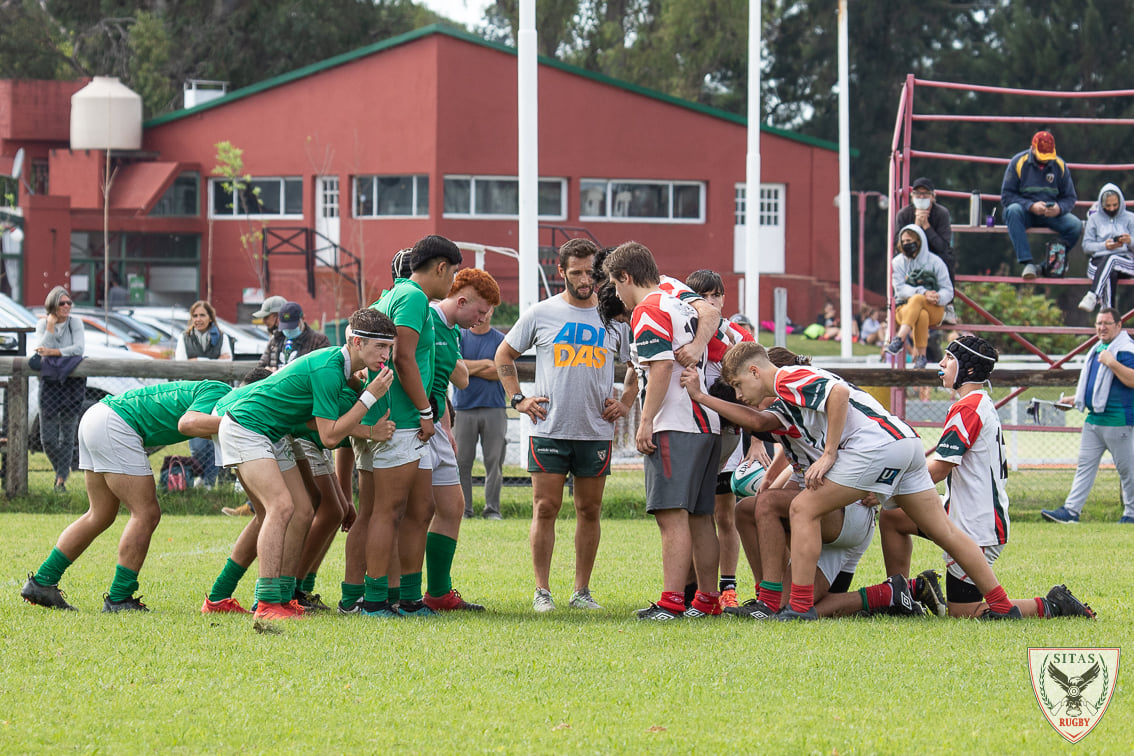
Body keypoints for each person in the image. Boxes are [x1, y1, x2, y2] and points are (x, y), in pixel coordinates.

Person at [709, 341, 1020, 620]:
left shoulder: (785, 377)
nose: (739, 394)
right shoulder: (788, 393)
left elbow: (839, 394)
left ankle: (799, 608)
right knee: (946, 531)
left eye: (738, 385)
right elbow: (764, 422)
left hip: (875, 447)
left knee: (803, 508)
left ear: (754, 371)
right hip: (905, 442)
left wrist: (830, 454)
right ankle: (1003, 605)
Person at [881, 335, 1096, 619]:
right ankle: (904, 596)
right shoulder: (975, 402)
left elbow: (941, 467)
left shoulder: (969, 406)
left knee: (963, 611)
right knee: (892, 518)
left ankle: (1053, 604)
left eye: (949, 359)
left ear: (968, 370)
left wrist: (887, 486)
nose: (941, 364)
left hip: (977, 523)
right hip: (959, 511)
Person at [215, 308, 398, 626]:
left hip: (274, 432)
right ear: (356, 342)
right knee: (281, 507)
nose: (387, 354)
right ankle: (267, 601)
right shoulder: (329, 369)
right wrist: (368, 399)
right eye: (380, 347)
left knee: (302, 510)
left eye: (390, 347)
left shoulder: (342, 370)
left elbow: (327, 425)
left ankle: (284, 597)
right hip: (247, 426)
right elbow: (328, 437)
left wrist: (364, 403)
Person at [496, 237, 636, 614]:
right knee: (545, 507)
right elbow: (504, 354)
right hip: (549, 427)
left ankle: (581, 591)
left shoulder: (612, 317)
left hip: (595, 430)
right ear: (561, 272)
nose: (585, 279)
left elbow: (640, 364)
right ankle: (542, 590)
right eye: (576, 272)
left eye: (591, 272)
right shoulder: (541, 313)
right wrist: (518, 399)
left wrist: (625, 402)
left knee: (589, 510)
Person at [21, 379, 232, 611]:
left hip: (98, 417)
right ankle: (119, 598)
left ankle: (42, 582)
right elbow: (189, 423)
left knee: (99, 514)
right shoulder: (220, 391)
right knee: (146, 513)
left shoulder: (216, 394)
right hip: (115, 423)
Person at [604, 241, 722, 621]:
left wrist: (645, 421)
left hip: (675, 423)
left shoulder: (649, 309)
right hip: (706, 422)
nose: (617, 295)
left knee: (671, 516)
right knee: (702, 516)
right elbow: (711, 315)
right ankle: (706, 599)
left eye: (615, 284)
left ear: (626, 277)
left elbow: (659, 368)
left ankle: (672, 601)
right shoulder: (678, 300)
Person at [346, 236, 462, 619]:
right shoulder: (412, 297)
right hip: (401, 421)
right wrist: (427, 412)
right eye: (453, 273)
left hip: (398, 418)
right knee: (388, 510)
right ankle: (376, 600)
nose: (452, 283)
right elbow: (405, 359)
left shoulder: (395, 294)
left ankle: (407, 597)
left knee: (419, 507)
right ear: (441, 267)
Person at [423, 268, 500, 612]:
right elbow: (459, 375)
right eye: (481, 312)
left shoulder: (452, 329)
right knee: (409, 511)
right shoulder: (423, 316)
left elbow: (449, 381)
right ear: (463, 300)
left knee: (452, 507)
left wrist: (446, 428)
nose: (483, 319)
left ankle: (438, 593)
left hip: (437, 423)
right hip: (413, 423)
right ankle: (389, 593)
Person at [1042, 308, 1134, 525]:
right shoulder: (1099, 348)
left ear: (1119, 326)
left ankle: (1131, 514)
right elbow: (1098, 386)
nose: (1102, 327)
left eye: (1107, 323)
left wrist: (1112, 362)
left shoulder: (1125, 350)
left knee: (1128, 470)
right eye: (1099, 323)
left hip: (1118, 420)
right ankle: (1071, 511)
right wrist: (1076, 399)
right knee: (1084, 465)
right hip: (1094, 419)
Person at [1001, 130, 1082, 281]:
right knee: (1012, 211)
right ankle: (1027, 262)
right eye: (1042, 156)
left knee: (1076, 225)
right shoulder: (1018, 162)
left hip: (1050, 214)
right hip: (1024, 212)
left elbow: (1070, 197)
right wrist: (1031, 206)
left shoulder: (1060, 165)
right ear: (1032, 149)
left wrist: (1059, 208)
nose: (1046, 160)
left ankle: (1048, 266)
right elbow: (1007, 196)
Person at [452, 306, 508, 519]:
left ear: (493, 311)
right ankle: (464, 510)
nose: (482, 315)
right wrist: (486, 364)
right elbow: (453, 368)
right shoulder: (460, 337)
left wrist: (468, 368)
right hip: (463, 408)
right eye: (479, 310)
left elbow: (501, 373)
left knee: (494, 462)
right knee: (462, 462)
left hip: (494, 408)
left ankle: (492, 509)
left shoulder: (501, 340)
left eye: (487, 310)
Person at [174, 300, 231, 487]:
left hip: (217, 395)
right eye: (195, 315)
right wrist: (213, 361)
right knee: (198, 445)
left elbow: (228, 362)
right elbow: (182, 365)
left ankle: (208, 483)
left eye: (202, 315)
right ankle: (205, 478)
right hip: (194, 396)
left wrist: (198, 360)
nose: (198, 319)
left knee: (215, 439)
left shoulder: (223, 337)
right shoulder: (185, 337)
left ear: (210, 317)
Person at [34, 286, 85, 492]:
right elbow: (40, 348)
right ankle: (62, 471)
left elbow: (78, 349)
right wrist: (50, 327)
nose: (66, 307)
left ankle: (60, 481)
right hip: (50, 386)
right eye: (61, 303)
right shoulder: (43, 323)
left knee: (67, 435)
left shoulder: (76, 323)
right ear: (52, 305)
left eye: (68, 303)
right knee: (48, 438)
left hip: (71, 386)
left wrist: (53, 351)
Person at [886, 224, 952, 370]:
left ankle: (899, 339)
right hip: (904, 309)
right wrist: (923, 292)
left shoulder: (935, 262)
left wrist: (937, 297)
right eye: (903, 242)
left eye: (909, 241)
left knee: (919, 302)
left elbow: (948, 290)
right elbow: (900, 290)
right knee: (920, 312)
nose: (906, 244)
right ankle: (921, 357)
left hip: (934, 308)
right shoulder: (898, 263)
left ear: (919, 240)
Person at [895, 177, 956, 324]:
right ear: (912, 196)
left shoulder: (941, 213)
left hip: (934, 255)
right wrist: (916, 227)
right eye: (917, 193)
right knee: (896, 259)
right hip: (912, 254)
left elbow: (943, 245)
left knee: (948, 257)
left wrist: (926, 227)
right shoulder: (904, 214)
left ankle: (948, 306)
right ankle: (899, 299)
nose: (921, 197)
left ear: (933, 196)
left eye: (925, 194)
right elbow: (898, 243)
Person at [1078, 183, 1134, 312]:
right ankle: (1108, 315)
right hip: (1098, 263)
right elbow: (1086, 246)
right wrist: (1105, 245)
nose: (1112, 208)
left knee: (1113, 258)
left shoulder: (1130, 218)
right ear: (1102, 204)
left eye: (1115, 205)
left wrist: (1129, 240)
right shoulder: (1094, 219)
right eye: (1108, 206)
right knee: (1110, 274)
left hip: (1125, 261)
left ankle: (1093, 295)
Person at [258, 301, 331, 370]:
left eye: (292, 326)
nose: (288, 330)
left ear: (302, 319)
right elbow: (260, 367)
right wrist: (267, 371)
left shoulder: (318, 340)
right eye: (285, 327)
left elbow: (324, 369)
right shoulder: (275, 339)